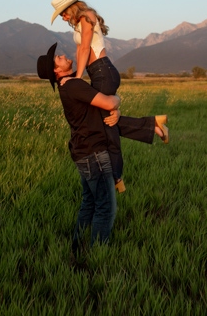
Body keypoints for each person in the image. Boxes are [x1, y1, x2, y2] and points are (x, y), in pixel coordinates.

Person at [37, 43, 168, 258]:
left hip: (83, 154)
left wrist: (115, 113)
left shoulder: (68, 86)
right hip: (94, 155)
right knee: (106, 209)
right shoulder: (72, 85)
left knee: (89, 204)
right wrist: (117, 100)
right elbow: (108, 103)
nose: (61, 55)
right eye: (57, 58)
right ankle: (97, 257)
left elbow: (100, 114)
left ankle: (77, 250)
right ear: (56, 71)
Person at [50, 0, 169, 191]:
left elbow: (86, 49)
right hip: (97, 72)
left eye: (63, 12)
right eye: (60, 14)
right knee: (104, 120)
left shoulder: (88, 17)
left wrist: (77, 79)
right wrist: (75, 78)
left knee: (107, 127)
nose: (63, 17)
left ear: (71, 7)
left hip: (102, 71)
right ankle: (153, 125)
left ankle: (116, 177)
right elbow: (80, 51)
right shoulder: (79, 24)